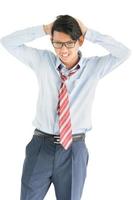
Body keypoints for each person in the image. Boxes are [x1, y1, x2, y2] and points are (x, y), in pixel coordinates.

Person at [0, 15, 130, 200]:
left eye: (69, 43)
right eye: (57, 43)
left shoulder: (94, 68)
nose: (63, 50)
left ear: (80, 41)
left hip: (73, 149)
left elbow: (123, 53)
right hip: (40, 146)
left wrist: (89, 32)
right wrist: (45, 29)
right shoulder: (43, 61)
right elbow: (7, 42)